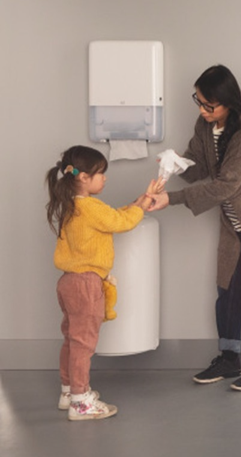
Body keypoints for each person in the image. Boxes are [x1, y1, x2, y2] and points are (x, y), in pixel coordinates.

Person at [147, 64, 241, 391]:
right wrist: (175, 163)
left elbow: (226, 184)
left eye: (209, 105)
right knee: (227, 286)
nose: (202, 110)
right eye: (199, 102)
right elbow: (198, 164)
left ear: (228, 102)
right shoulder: (205, 124)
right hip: (233, 217)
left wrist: (173, 199)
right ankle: (228, 358)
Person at [46, 145, 160, 420]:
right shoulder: (90, 207)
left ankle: (68, 391)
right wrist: (142, 206)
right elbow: (120, 223)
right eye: (100, 174)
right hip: (86, 285)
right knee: (84, 344)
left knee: (72, 341)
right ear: (83, 177)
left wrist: (138, 203)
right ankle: (80, 402)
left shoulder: (71, 205)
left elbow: (111, 218)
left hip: (68, 283)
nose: (105, 178)